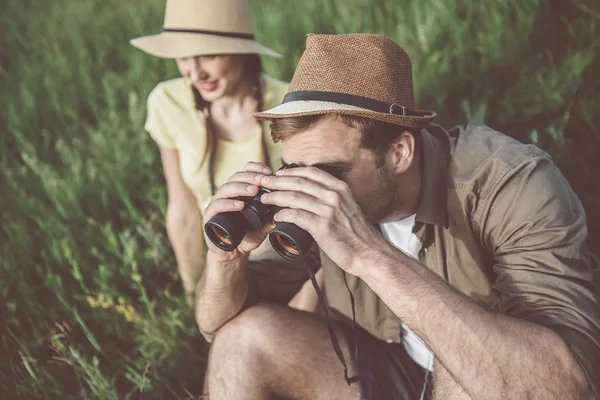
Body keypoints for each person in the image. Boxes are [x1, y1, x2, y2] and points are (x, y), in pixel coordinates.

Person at [195, 33, 600, 399]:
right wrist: (225, 259)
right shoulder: (317, 202)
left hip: (483, 378)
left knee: (465, 363)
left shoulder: (508, 181)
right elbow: (216, 325)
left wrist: (367, 253)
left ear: (400, 152)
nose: (312, 191)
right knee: (242, 341)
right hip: (385, 365)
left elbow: (567, 386)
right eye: (294, 172)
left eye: (328, 174)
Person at [129, 0, 321, 308]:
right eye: (183, 57)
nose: (195, 73)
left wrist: (302, 308)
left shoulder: (289, 105)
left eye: (209, 54)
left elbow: (318, 218)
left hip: (286, 255)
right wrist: (194, 291)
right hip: (221, 249)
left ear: (241, 51)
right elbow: (182, 209)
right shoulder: (168, 103)